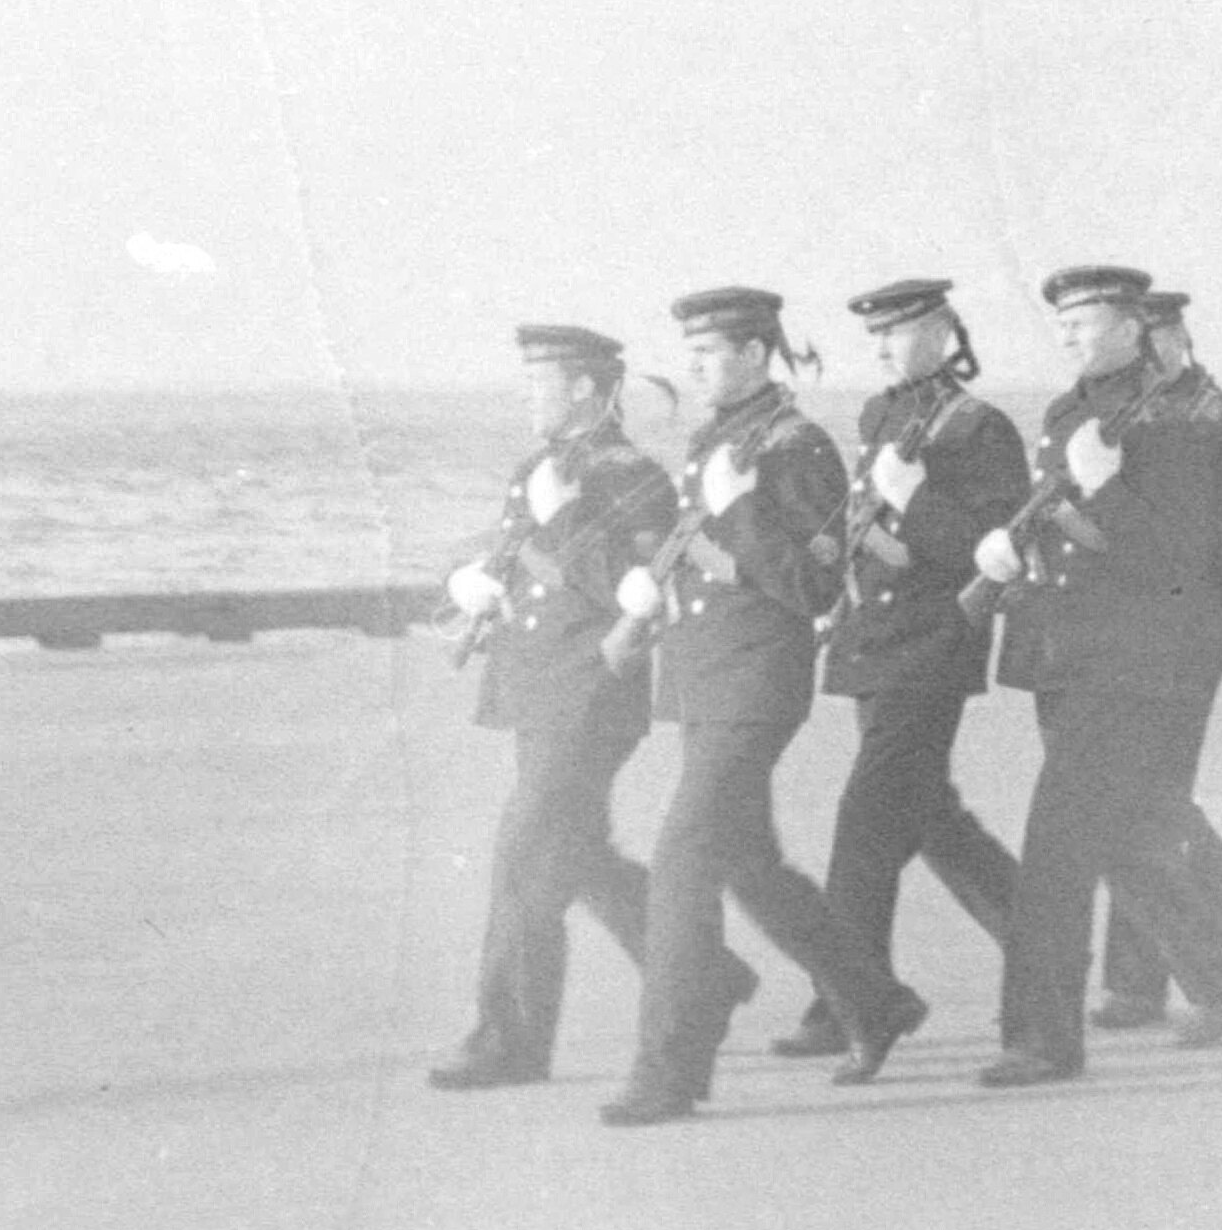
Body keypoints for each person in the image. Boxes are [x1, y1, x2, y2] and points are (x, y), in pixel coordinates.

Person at [596, 288, 925, 1126]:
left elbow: (817, 584)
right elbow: (697, 552)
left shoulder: (795, 447)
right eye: (692, 354)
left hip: (756, 682)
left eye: (710, 353)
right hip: (707, 677)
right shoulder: (721, 439)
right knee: (747, 863)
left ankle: (669, 1072)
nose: (697, 368)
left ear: (753, 354)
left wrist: (741, 507)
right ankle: (875, 1001)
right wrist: (640, 617)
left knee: (681, 862)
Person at [974, 265, 1222, 1086]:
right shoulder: (1068, 410)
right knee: (1117, 832)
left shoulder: (1179, 422)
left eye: (1083, 321)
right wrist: (1010, 548)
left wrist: (1106, 490)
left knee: (1056, 850)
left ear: (1132, 327)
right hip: (1063, 652)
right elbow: (1068, 527)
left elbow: (1183, 558)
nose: (1066, 334)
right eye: (1062, 322)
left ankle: (1041, 1040)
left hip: (1129, 662)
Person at [429, 323, 718, 1091]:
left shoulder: (632, 475)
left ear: (585, 387)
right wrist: (474, 582)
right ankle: (706, 976)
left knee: (525, 856)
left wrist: (560, 521)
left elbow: (637, 590)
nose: (529, 395)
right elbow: (524, 560)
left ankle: (510, 1042)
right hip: (539, 688)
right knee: (574, 855)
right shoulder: (542, 465)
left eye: (541, 381)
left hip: (588, 692)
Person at [770, 279, 1030, 1063]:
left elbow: (995, 551)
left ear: (944, 331)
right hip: (876, 640)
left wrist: (912, 500)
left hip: (932, 644)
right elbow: (869, 528)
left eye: (897, 332)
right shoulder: (880, 415)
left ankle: (845, 1003)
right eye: (875, 335)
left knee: (866, 823)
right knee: (929, 818)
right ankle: (1044, 938)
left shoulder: (981, 428)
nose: (881, 348)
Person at [1089, 287, 1222, 1031]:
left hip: (1184, 640)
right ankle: (1147, 977)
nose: (1152, 356)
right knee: (1139, 802)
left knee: (1144, 799)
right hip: (1122, 638)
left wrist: (1158, 547)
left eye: (1161, 339)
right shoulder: (1124, 418)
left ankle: (1204, 946)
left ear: (1180, 338)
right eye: (1140, 342)